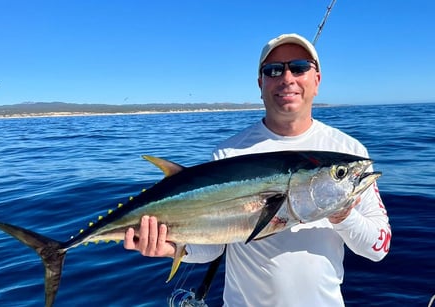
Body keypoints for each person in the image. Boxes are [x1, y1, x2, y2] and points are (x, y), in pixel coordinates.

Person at [124, 33, 391, 306]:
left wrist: (343, 215)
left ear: (317, 80)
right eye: (273, 70)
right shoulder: (230, 152)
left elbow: (378, 248)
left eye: (299, 67)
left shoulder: (350, 151)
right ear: (260, 84)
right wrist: (172, 247)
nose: (287, 78)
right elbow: (214, 246)